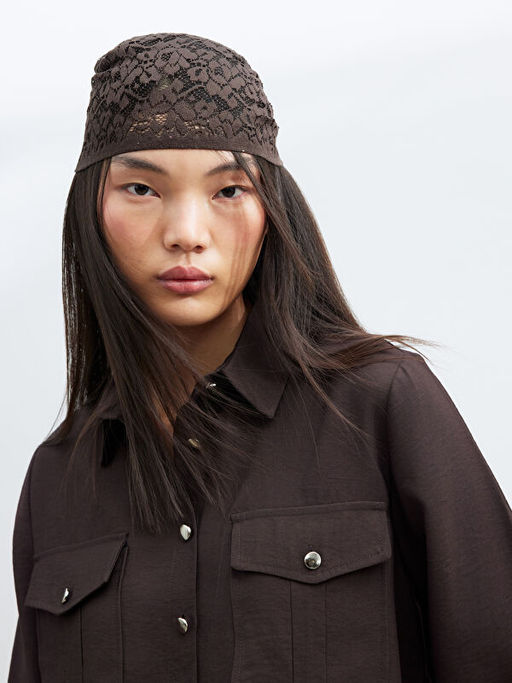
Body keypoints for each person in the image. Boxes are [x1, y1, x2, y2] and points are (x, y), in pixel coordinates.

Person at [8, 32, 512, 683]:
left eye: (228, 190)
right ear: (91, 212)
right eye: (141, 188)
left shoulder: (383, 406)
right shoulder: (57, 479)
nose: (187, 234)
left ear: (271, 209)